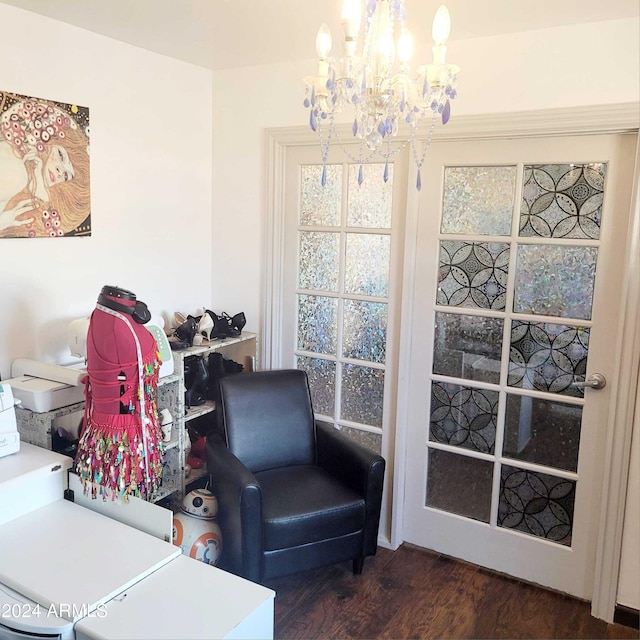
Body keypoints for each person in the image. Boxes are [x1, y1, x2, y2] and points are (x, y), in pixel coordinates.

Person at [74, 286, 164, 501]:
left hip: (105, 428)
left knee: (113, 499)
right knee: (125, 497)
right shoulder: (120, 325)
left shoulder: (100, 316)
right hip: (125, 434)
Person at [0, 94, 90, 238]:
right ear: (49, 141)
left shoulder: (27, 181)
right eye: (61, 156)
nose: (60, 171)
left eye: (67, 175)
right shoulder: (19, 170)